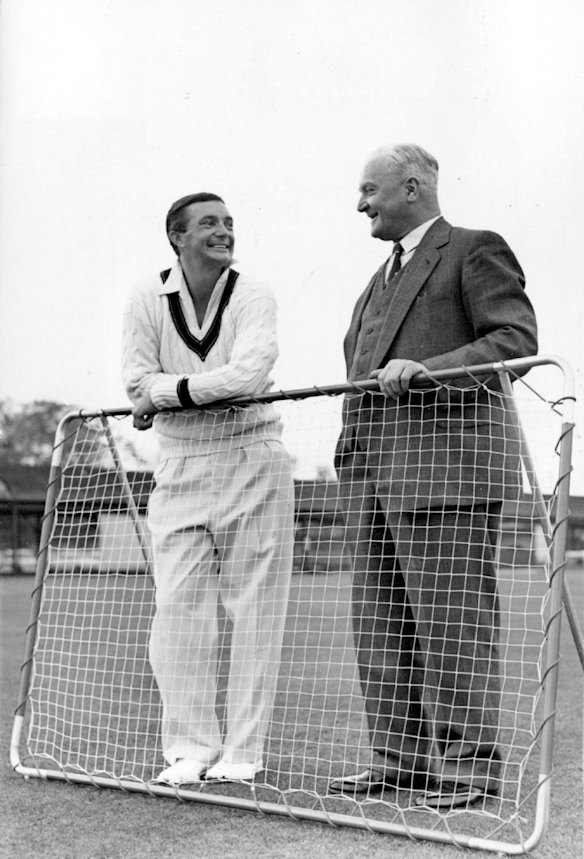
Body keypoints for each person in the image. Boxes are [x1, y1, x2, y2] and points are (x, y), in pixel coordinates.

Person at [329, 144, 538, 808]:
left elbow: (517, 342)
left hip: (448, 473)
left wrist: (432, 369)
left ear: (412, 188)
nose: (360, 204)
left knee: (453, 622)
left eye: (370, 190)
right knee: (379, 625)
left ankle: (472, 766)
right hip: (373, 480)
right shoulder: (376, 280)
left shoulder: (475, 249)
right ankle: (401, 759)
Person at [122, 192, 294, 786]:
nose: (223, 232)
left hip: (252, 454)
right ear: (178, 237)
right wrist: (163, 391)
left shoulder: (253, 293)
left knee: (254, 609)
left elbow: (250, 374)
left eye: (228, 222)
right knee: (177, 610)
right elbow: (135, 377)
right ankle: (189, 749)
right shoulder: (147, 296)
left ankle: (244, 752)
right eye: (208, 224)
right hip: (180, 461)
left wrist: (165, 396)